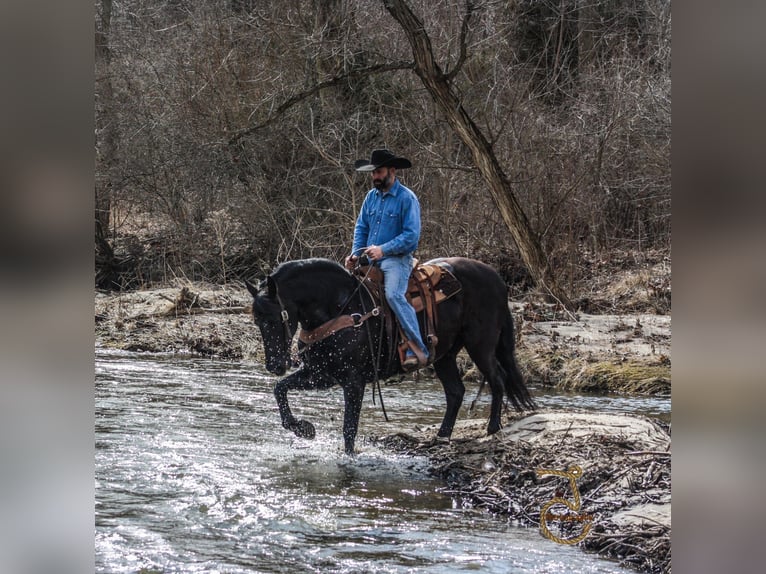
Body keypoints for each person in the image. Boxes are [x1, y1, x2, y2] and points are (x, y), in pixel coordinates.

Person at [344, 149, 429, 370]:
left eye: (379, 172)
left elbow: (411, 236)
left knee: (393, 295)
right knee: (345, 290)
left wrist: (383, 250)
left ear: (392, 171)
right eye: (373, 173)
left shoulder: (407, 198)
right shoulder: (370, 197)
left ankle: (417, 348)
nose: (375, 177)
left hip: (396, 260)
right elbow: (361, 227)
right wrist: (355, 253)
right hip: (370, 258)